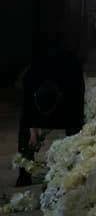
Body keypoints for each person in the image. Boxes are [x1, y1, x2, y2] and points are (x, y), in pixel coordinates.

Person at [16, 36, 85, 186]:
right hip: (43, 86)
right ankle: (24, 174)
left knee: (75, 128)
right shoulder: (30, 79)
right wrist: (33, 132)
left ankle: (74, 170)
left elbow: (76, 115)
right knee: (25, 132)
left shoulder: (73, 78)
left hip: (67, 90)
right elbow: (27, 114)